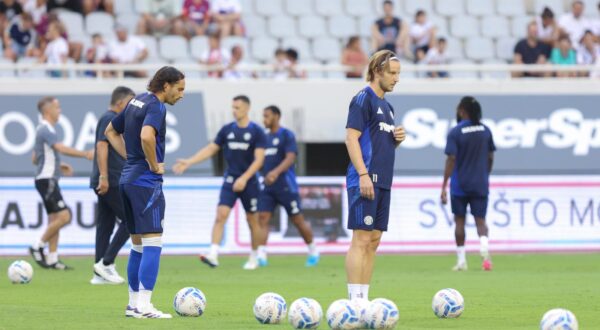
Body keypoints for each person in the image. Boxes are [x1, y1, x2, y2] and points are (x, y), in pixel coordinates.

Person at [104, 66, 185, 318]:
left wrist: (131, 158)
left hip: (127, 180)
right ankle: (146, 306)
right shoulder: (156, 107)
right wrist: (151, 163)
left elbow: (110, 131)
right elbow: (147, 136)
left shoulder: (136, 100)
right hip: (146, 183)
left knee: (137, 245)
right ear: (166, 86)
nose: (181, 95)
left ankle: (133, 305)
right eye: (179, 89)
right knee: (153, 243)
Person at [172, 95, 266, 270]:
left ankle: (254, 256)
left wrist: (244, 178)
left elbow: (259, 160)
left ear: (246, 109)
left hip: (250, 182)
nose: (234, 110)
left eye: (237, 107)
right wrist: (190, 161)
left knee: (252, 220)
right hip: (230, 180)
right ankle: (213, 254)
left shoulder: (257, 132)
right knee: (221, 215)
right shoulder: (227, 130)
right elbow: (211, 149)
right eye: (233, 107)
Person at [344, 50, 405, 300]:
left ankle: (364, 299)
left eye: (398, 73)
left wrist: (396, 140)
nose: (396, 79)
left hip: (384, 180)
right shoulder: (362, 99)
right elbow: (351, 137)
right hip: (365, 179)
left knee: (375, 240)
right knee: (361, 239)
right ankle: (353, 301)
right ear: (377, 71)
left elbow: (380, 144)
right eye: (392, 73)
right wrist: (363, 174)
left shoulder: (388, 107)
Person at [29, 97, 93, 270]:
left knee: (55, 218)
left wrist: (58, 165)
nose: (60, 111)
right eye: (57, 108)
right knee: (65, 217)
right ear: (48, 111)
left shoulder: (42, 129)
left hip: (46, 178)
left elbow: (35, 157)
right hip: (47, 179)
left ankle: (52, 259)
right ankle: (37, 246)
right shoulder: (46, 130)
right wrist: (85, 154)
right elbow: (60, 148)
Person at [256, 105, 319, 267]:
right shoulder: (263, 138)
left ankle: (313, 250)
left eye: (267, 116)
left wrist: (275, 173)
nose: (264, 120)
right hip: (268, 186)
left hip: (285, 185)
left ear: (277, 116)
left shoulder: (286, 135)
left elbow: (290, 158)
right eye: (263, 116)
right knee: (263, 218)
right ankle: (261, 255)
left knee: (297, 219)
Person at [441, 96, 496, 272]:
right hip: (480, 182)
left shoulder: (456, 132)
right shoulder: (485, 130)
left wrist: (444, 185)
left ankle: (461, 260)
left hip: (460, 184)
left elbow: (451, 158)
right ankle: (485, 251)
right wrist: (484, 175)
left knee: (459, 222)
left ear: (462, 111)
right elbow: (490, 156)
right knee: (481, 221)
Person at [89, 86, 135, 285]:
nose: (132, 108)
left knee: (105, 225)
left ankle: (100, 271)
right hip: (112, 179)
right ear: (120, 103)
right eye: (129, 103)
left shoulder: (107, 118)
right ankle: (106, 263)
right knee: (131, 219)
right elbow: (101, 145)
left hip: (107, 178)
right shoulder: (110, 118)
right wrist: (105, 177)